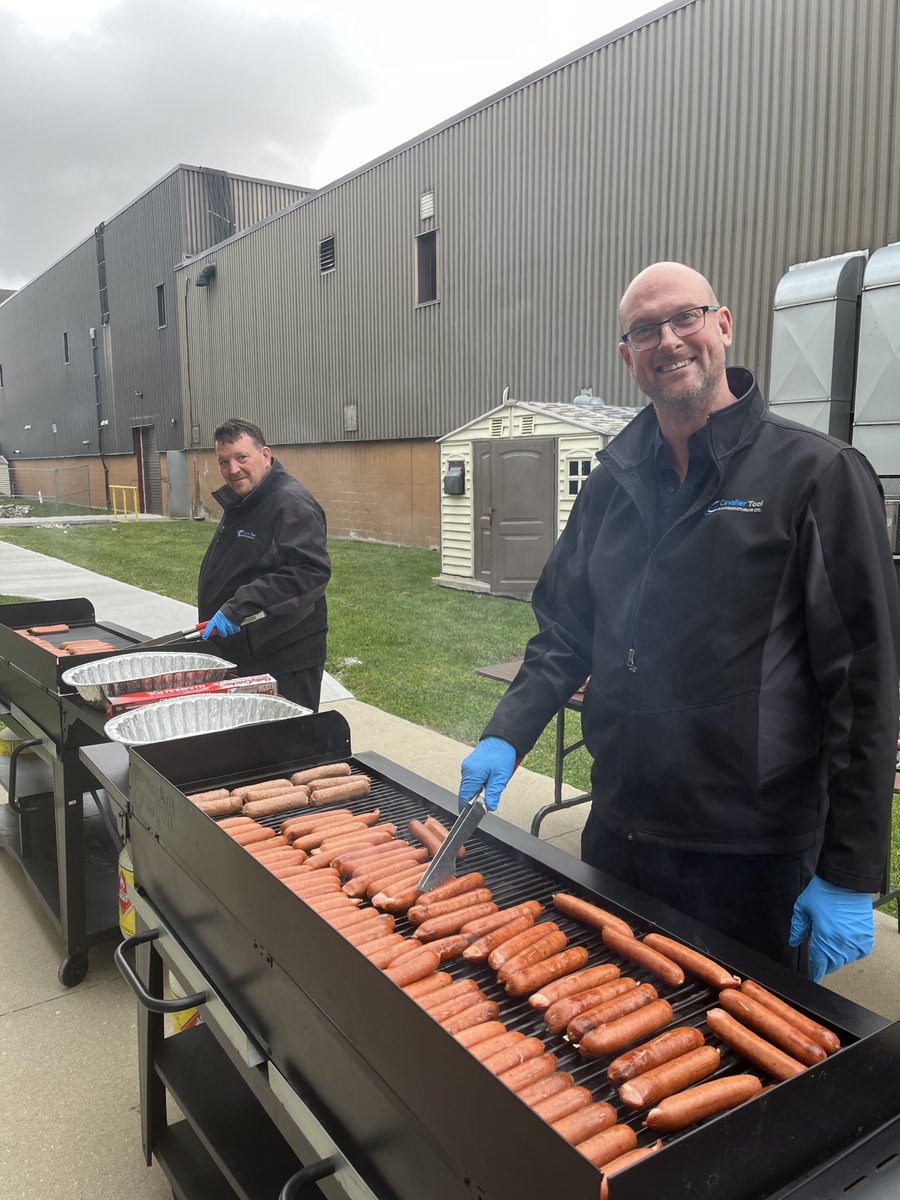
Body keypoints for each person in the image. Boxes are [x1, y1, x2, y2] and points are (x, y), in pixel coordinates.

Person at [459, 261, 900, 980]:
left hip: (750, 852)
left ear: (722, 326)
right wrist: (507, 734)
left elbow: (865, 683)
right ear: (627, 357)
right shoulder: (611, 482)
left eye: (684, 318)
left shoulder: (816, 474)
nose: (668, 340)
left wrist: (849, 869)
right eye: (644, 330)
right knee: (612, 1032)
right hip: (622, 828)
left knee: (750, 1070)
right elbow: (565, 630)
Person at [197, 418, 331, 711]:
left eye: (241, 457)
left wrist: (239, 606)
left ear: (265, 455)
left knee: (286, 747)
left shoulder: (289, 503)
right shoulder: (247, 499)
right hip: (249, 650)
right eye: (223, 461)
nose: (232, 470)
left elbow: (309, 572)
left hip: (284, 658)